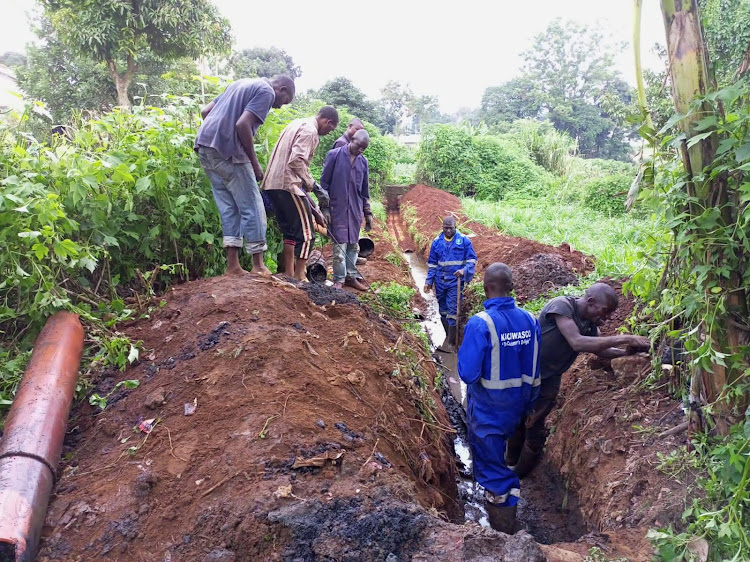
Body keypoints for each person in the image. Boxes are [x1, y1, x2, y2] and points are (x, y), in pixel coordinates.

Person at [506, 283, 651, 477]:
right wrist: (624, 338)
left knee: (535, 425)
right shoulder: (562, 307)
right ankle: (508, 464)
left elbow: (599, 349)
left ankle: (518, 477)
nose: (606, 318)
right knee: (517, 420)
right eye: (605, 312)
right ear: (591, 302)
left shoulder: (589, 325)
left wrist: (625, 352)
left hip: (550, 379)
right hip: (525, 373)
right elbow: (577, 342)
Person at [457, 263, 540, 534]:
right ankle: (503, 503)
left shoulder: (481, 323)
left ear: (485, 288)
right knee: (498, 457)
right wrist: (529, 406)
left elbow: (468, 374)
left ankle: (503, 529)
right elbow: (535, 370)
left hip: (487, 411)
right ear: (511, 287)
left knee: (493, 470)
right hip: (517, 407)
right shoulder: (530, 320)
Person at [195, 75, 295, 276]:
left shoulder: (239, 84)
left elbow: (206, 111)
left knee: (229, 206)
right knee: (253, 205)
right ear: (282, 89)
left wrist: (220, 134)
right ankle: (258, 265)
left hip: (205, 147)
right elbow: (243, 125)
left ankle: (233, 266)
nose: (279, 108)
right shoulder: (266, 91)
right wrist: (255, 164)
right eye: (284, 102)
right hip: (229, 153)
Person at [262, 106, 339, 280]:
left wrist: (315, 209)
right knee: (307, 234)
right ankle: (299, 276)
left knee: (290, 232)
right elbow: (296, 161)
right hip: (287, 185)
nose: (329, 132)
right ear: (328, 122)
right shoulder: (310, 131)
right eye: (331, 129)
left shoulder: (297, 123)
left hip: (272, 184)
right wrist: (315, 186)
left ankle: (289, 274)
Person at [319, 129, 373, 290]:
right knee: (339, 245)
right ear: (352, 139)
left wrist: (368, 212)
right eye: (359, 146)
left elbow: (364, 190)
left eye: (364, 148)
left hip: (355, 210)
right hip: (337, 209)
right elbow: (324, 185)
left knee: (353, 245)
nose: (360, 150)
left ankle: (351, 276)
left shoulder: (363, 162)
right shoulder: (334, 155)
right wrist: (325, 209)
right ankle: (339, 279)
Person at [424, 216, 477, 352]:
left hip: (455, 282)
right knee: (442, 310)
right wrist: (429, 281)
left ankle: (452, 343)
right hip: (440, 282)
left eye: (450, 228)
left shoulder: (464, 241)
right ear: (442, 227)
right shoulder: (436, 242)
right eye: (445, 228)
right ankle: (448, 336)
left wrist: (464, 271)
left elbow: (471, 260)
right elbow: (432, 264)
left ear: (455, 227)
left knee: (452, 311)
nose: (448, 230)